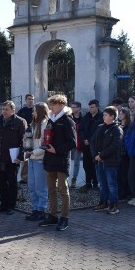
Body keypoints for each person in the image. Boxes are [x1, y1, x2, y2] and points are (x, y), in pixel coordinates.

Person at [38, 94, 76, 231]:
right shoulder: (51, 120)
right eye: (50, 104)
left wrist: (57, 150)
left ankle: (64, 218)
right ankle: (53, 216)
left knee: (63, 191)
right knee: (51, 190)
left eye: (53, 104)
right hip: (50, 160)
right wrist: (45, 144)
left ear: (61, 105)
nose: (50, 107)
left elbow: (72, 143)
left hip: (61, 160)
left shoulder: (67, 120)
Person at [0, 100, 26, 214]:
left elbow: (24, 141)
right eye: (3, 109)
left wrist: (20, 156)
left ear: (13, 110)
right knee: (1, 182)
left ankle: (11, 206)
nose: (4, 111)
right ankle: (3, 204)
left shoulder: (20, 122)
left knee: (12, 183)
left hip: (12, 158)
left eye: (6, 109)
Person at [91, 106, 122, 214]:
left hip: (110, 161)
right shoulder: (100, 127)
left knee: (111, 183)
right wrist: (95, 155)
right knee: (102, 184)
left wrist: (102, 155)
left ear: (112, 116)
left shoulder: (117, 129)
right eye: (103, 114)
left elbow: (115, 145)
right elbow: (93, 142)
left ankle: (113, 205)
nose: (103, 116)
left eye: (105, 115)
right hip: (99, 161)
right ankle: (103, 202)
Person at [24, 102, 50, 222]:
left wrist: (34, 152)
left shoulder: (46, 125)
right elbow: (29, 141)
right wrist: (27, 149)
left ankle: (41, 210)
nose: (32, 113)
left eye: (34, 110)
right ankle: (35, 209)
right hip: (32, 159)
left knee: (41, 187)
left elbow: (46, 144)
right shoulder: (33, 125)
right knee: (32, 186)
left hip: (40, 159)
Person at [78, 99, 103, 191]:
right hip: (86, 146)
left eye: (92, 107)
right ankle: (88, 183)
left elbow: (98, 131)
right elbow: (81, 129)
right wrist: (84, 139)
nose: (90, 109)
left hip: (95, 146)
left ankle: (96, 184)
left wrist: (90, 140)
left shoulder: (101, 117)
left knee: (95, 165)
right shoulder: (86, 117)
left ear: (97, 107)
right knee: (86, 164)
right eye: (89, 107)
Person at [17, 94, 34, 184]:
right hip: (24, 136)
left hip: (34, 136)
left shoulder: (35, 111)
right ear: (25, 100)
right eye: (29, 99)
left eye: (32, 99)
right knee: (25, 157)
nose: (31, 101)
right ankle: (24, 178)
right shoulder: (21, 111)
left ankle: (33, 178)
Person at [117, 107, 131, 202]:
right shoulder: (118, 126)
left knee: (124, 174)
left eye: (121, 114)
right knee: (118, 174)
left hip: (125, 154)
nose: (120, 115)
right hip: (118, 153)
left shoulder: (129, 127)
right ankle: (120, 192)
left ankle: (125, 193)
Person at [69, 101, 82, 188]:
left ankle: (74, 179)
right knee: (67, 161)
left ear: (79, 108)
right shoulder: (69, 117)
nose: (72, 109)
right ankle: (65, 179)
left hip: (78, 142)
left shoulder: (83, 118)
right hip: (69, 142)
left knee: (76, 162)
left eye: (74, 107)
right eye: (72, 107)